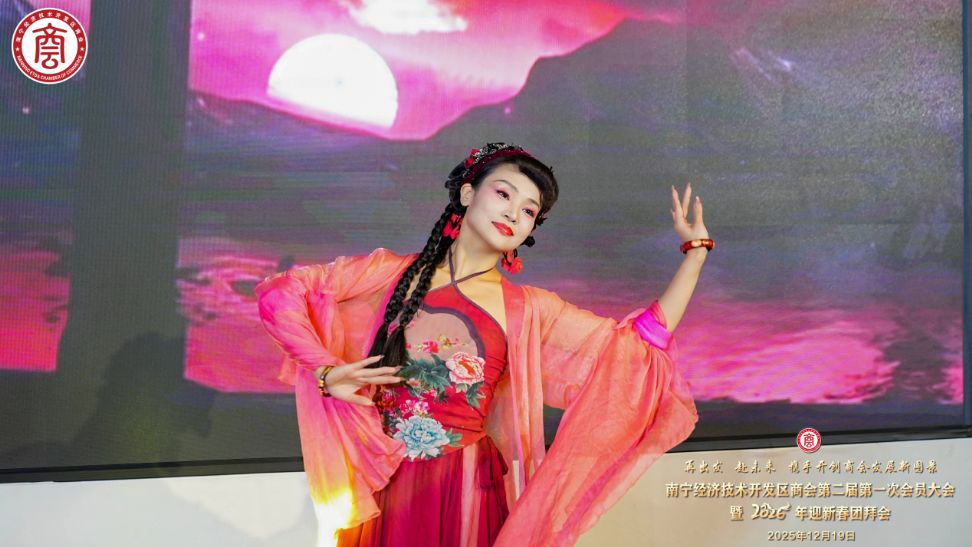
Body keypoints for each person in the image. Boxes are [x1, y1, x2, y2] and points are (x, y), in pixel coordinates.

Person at [255, 142, 709, 546]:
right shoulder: (389, 273)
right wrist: (324, 371)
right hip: (384, 477)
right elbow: (282, 293)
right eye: (504, 194)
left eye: (528, 210)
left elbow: (632, 352)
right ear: (468, 194)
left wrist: (696, 253)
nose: (513, 214)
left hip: (466, 484)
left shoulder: (530, 309)